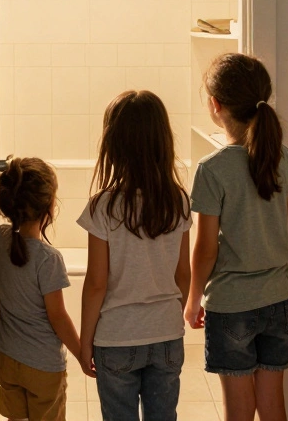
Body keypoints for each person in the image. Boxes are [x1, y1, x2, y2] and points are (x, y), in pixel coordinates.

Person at [184, 53, 288, 421]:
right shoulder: (284, 158)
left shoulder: (212, 169)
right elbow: (278, 226)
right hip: (279, 298)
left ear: (216, 105)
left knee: (239, 411)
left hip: (232, 304)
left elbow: (205, 249)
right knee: (273, 404)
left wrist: (193, 296)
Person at [77, 90, 192, 421]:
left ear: (113, 146)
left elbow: (97, 283)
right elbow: (182, 274)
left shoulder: (103, 207)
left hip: (116, 338)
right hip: (167, 336)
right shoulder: (178, 201)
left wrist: (86, 341)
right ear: (163, 143)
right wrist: (170, 315)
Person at [0, 157, 82, 421]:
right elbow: (59, 318)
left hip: (8, 359)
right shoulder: (47, 259)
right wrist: (81, 354)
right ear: (50, 206)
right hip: (43, 366)